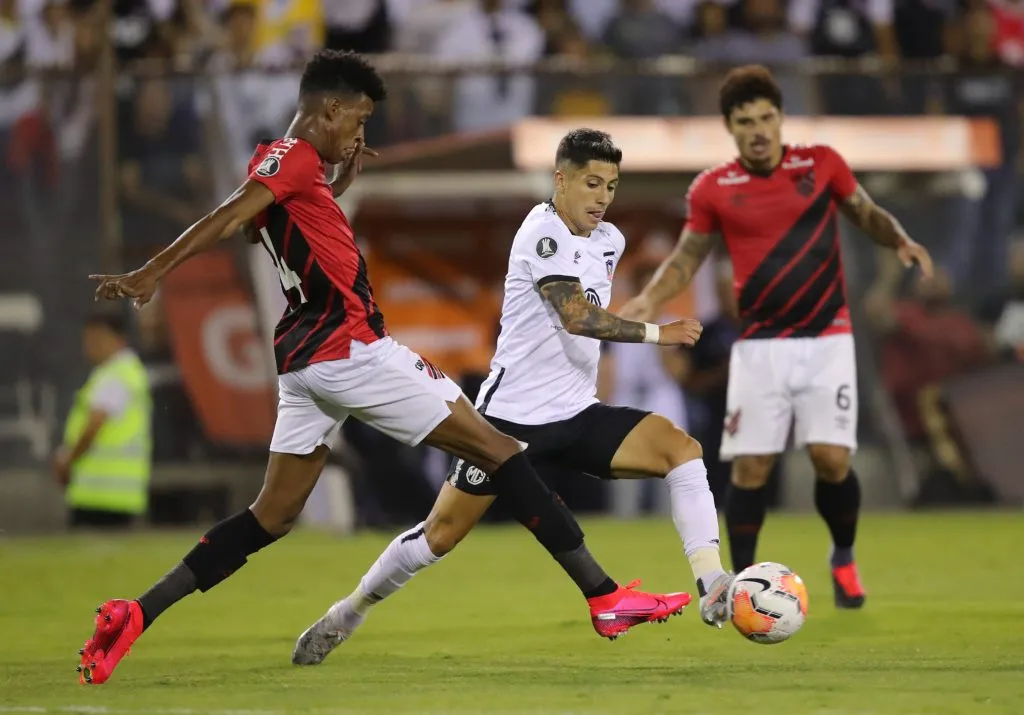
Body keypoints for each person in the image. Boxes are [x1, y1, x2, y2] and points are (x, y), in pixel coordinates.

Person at [77, 51, 690, 686]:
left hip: (304, 361)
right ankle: (604, 596)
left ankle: (136, 614)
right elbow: (229, 215)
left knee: (272, 515)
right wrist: (153, 271)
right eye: (358, 120)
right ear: (330, 109)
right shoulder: (291, 162)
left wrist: (335, 186)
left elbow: (272, 220)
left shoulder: (285, 164)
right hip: (354, 348)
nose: (360, 134)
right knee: (503, 451)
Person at [292, 129, 732, 667]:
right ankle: (348, 612)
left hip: (576, 413)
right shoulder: (540, 231)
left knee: (680, 449)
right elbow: (575, 316)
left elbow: (589, 326)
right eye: (592, 184)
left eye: (611, 187)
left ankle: (713, 582)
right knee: (439, 537)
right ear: (561, 179)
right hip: (508, 425)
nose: (602, 198)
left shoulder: (609, 241)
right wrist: (657, 333)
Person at [620, 65, 934, 609]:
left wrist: (900, 240)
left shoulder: (822, 164)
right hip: (761, 346)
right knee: (751, 467)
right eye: (746, 121)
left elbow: (865, 213)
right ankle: (745, 584)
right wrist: (650, 298)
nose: (759, 129)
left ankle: (843, 557)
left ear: (781, 118)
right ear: (730, 127)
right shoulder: (714, 188)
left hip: (827, 339)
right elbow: (687, 256)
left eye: (767, 117)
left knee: (832, 460)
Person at [55, 312, 152, 530]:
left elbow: (93, 426)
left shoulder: (115, 376)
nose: (90, 346)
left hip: (100, 495)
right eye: (87, 339)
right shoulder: (123, 372)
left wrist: (67, 460)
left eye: (97, 339)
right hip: (116, 493)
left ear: (118, 340)